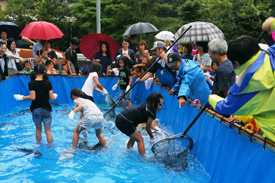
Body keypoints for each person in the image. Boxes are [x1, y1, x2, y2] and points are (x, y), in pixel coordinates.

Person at [208, 28, 275, 141]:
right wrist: (271, 24)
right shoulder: (272, 54)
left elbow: (225, 107)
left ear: (237, 63)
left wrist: (211, 97)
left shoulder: (243, 88)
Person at [13, 64, 58, 145]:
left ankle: (38, 143)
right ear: (44, 71)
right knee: (48, 130)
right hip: (46, 109)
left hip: (35, 109)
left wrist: (22, 97)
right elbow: (51, 98)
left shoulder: (31, 83)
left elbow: (33, 97)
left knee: (38, 129)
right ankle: (50, 145)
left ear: (34, 72)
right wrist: (54, 95)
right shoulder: (48, 83)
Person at [115, 92, 163, 156]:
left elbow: (148, 123)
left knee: (134, 137)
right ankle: (144, 159)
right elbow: (147, 128)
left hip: (120, 117)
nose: (160, 107)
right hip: (125, 121)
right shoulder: (152, 113)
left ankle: (128, 152)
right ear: (154, 103)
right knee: (140, 139)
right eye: (159, 105)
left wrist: (156, 130)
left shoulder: (146, 106)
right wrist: (152, 137)